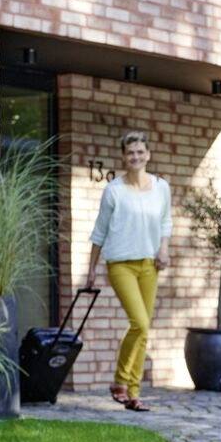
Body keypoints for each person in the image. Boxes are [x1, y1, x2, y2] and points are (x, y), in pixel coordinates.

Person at [82, 128, 171, 412]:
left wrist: (164, 248)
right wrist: (92, 269)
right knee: (140, 323)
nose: (135, 156)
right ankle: (121, 381)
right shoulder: (114, 190)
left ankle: (133, 392)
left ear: (148, 155)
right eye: (130, 152)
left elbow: (166, 222)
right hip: (120, 263)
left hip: (149, 264)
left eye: (140, 152)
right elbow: (100, 231)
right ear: (123, 156)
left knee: (143, 329)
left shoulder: (161, 187)